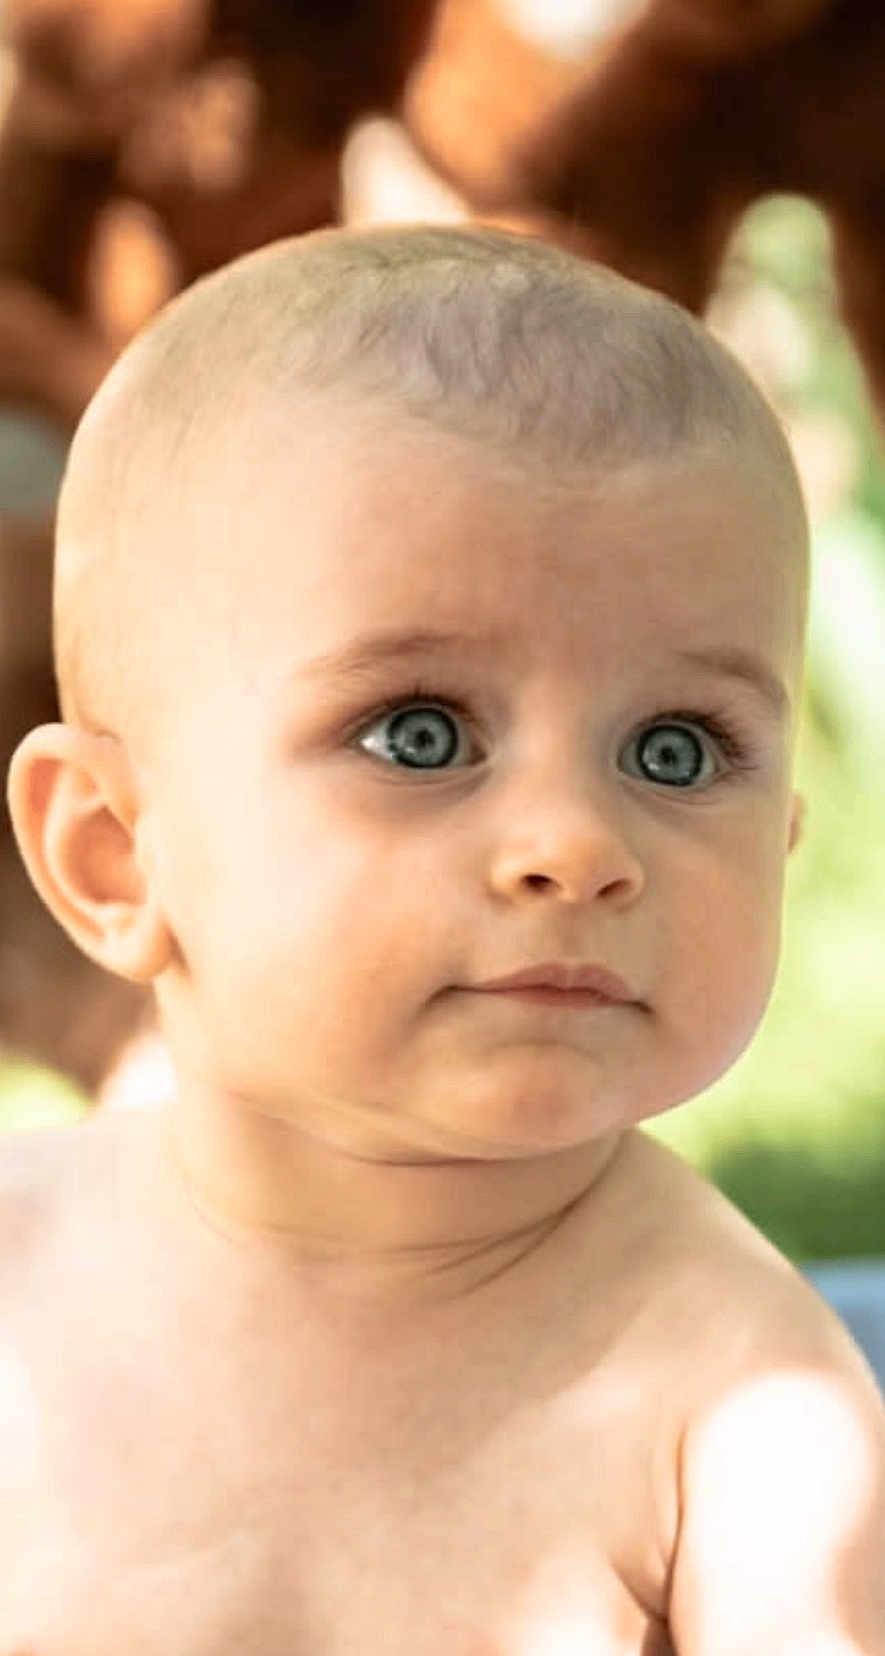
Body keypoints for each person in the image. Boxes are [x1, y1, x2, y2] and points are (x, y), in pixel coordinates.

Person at [2, 224, 883, 1655]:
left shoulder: (739, 1403)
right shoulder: (18, 1272)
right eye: (420, 733)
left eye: (671, 750)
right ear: (113, 851)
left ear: (782, 839)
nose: (576, 845)